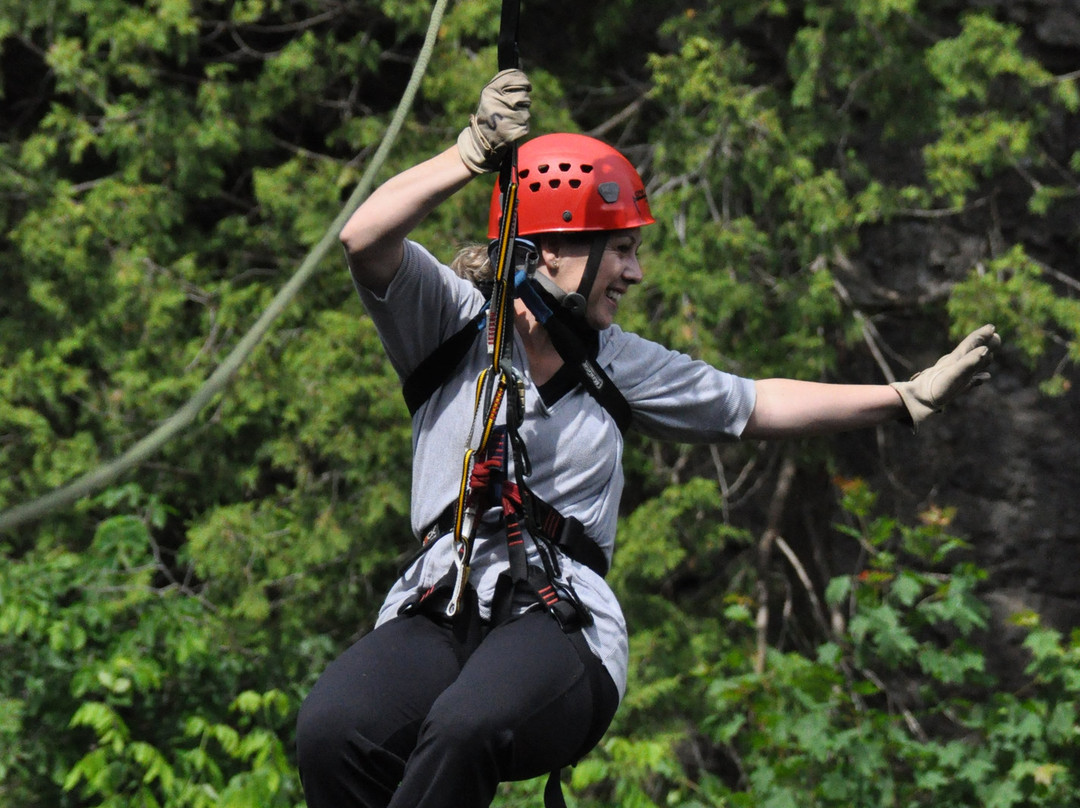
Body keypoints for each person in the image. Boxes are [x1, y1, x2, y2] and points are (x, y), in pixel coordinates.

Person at [295, 69, 1001, 808]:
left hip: (556, 625)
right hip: (443, 602)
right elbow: (365, 239)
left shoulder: (619, 364)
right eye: (621, 249)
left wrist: (905, 396)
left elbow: (755, 404)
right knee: (335, 728)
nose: (634, 271)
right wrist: (471, 152)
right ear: (550, 251)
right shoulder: (452, 324)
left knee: (468, 727)